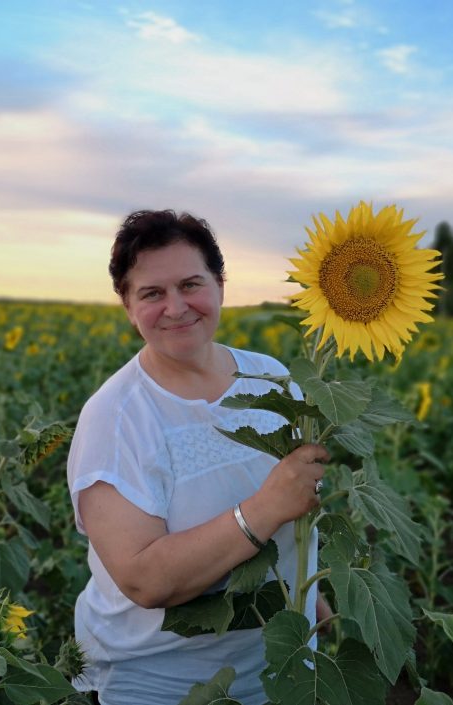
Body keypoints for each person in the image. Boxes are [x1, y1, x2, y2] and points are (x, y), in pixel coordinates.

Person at [66, 209, 330, 705]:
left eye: (191, 284)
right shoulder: (116, 417)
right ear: (126, 305)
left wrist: (308, 589)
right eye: (151, 293)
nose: (176, 307)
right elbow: (144, 580)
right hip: (160, 685)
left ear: (220, 285)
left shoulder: (268, 378)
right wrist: (264, 508)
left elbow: (300, 501)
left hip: (283, 675)